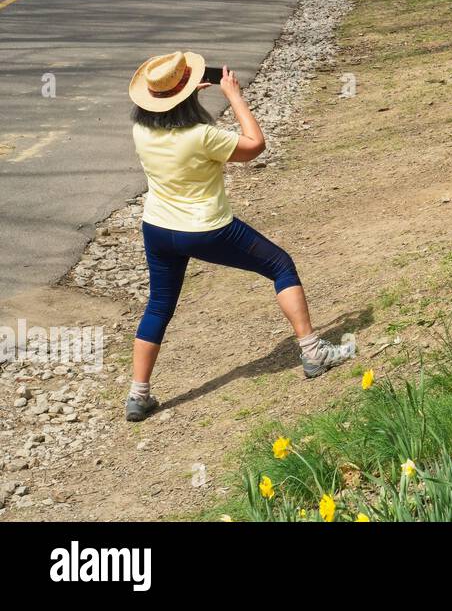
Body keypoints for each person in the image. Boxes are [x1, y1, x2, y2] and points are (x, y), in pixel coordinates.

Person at [125, 51, 354, 421]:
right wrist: (234, 96)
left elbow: (170, 118)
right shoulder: (202, 136)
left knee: (159, 306)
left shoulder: (141, 130)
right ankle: (313, 352)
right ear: (187, 96)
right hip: (205, 228)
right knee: (280, 265)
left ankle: (138, 395)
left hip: (158, 229)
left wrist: (186, 95)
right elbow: (255, 145)